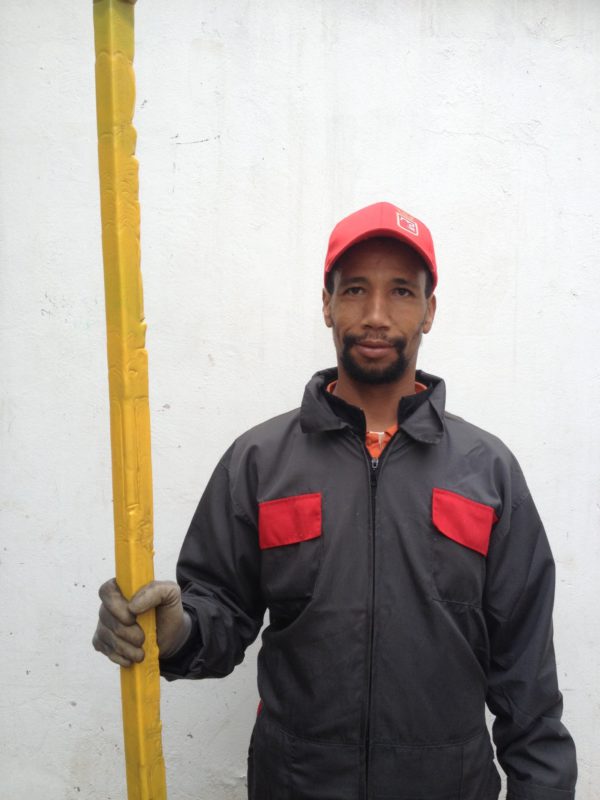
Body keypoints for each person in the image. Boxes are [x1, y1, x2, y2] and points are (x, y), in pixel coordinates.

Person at [93, 202, 577, 800]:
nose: (376, 314)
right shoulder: (260, 462)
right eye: (354, 290)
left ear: (429, 311)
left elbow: (526, 678)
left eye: (401, 291)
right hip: (297, 786)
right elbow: (218, 614)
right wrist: (176, 630)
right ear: (327, 303)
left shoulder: (488, 472)